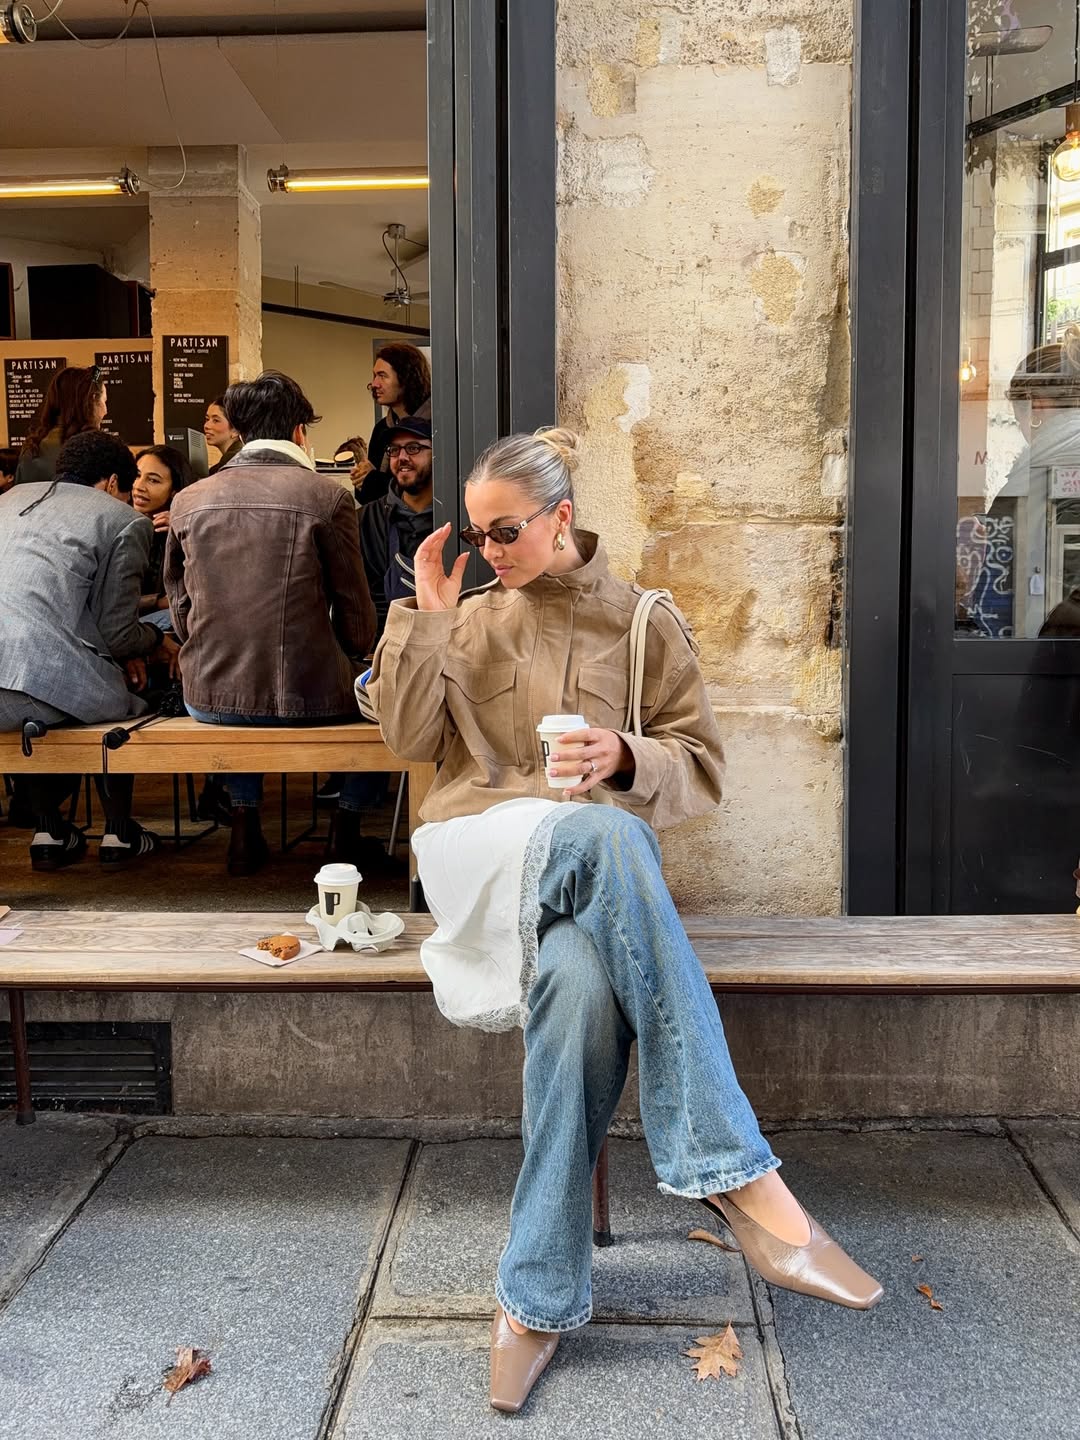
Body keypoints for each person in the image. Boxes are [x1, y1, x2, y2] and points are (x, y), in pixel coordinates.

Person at [367, 428, 883, 1415]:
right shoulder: (466, 616)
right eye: (476, 535)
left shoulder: (644, 624)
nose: (489, 552)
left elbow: (703, 767)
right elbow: (405, 740)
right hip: (479, 864)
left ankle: (535, 1295)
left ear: (562, 518)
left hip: (586, 897)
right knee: (610, 846)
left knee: (581, 985)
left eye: (507, 530)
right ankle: (740, 1183)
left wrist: (625, 755)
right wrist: (429, 620)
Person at [165, 370, 377, 875]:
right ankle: (344, 831)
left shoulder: (189, 500)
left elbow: (179, 609)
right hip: (311, 696)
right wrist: (358, 652)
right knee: (387, 701)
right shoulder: (326, 497)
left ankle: (243, 825)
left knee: (243, 691)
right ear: (301, 432)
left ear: (237, 429)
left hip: (209, 697)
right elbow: (356, 613)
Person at [0, 429, 173, 870]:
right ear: (113, 482)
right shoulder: (122, 520)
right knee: (135, 695)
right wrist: (155, 642)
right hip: (32, 679)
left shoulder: (9, 499)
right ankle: (119, 833)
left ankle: (49, 829)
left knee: (49, 700)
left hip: (15, 674)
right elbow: (117, 632)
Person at [359, 416, 436, 639]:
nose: (402, 457)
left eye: (413, 448)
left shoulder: (454, 517)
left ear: (436, 453)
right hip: (384, 647)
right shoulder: (368, 519)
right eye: (394, 450)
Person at [13, 364, 108, 486]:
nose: (106, 411)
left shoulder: (31, 449)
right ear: (93, 400)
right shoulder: (98, 451)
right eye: (104, 401)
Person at [359, 343, 432, 502]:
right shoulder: (381, 429)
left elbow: (424, 489)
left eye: (382, 375)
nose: (374, 384)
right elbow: (368, 496)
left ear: (406, 379)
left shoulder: (436, 427)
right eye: (374, 376)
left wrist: (373, 478)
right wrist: (362, 478)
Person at [132, 446, 195, 620]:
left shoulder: (183, 528)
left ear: (174, 491)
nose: (139, 486)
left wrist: (184, 530)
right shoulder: (118, 522)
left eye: (153, 480)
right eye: (137, 476)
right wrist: (158, 602)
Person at [204, 396, 242, 474]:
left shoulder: (232, 462)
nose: (206, 426)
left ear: (235, 430)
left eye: (216, 420)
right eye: (207, 419)